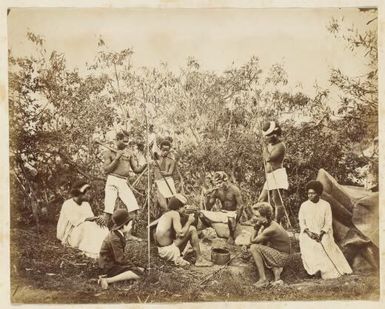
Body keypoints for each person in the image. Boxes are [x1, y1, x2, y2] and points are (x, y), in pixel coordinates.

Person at [298, 180, 353, 279]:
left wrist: (321, 233)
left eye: (313, 193)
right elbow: (302, 222)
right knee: (310, 245)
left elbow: (328, 222)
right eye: (308, 193)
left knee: (325, 244)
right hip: (308, 233)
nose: (310, 195)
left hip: (323, 233)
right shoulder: (304, 205)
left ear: (318, 193)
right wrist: (309, 233)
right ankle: (314, 271)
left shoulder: (325, 205)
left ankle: (326, 271)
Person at [98, 131, 147, 231]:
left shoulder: (129, 153)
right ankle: (102, 234)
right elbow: (106, 170)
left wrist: (146, 165)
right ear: (117, 139)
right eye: (124, 141)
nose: (126, 144)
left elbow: (136, 170)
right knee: (108, 211)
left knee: (133, 208)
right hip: (112, 180)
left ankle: (128, 234)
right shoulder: (109, 152)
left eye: (127, 141)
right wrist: (116, 158)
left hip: (123, 182)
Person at [154, 194, 213, 267]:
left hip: (162, 250)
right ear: (179, 207)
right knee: (192, 229)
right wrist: (189, 221)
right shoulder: (175, 214)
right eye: (184, 207)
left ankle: (188, 253)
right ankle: (199, 260)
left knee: (188, 229)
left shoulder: (167, 214)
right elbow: (181, 234)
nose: (185, 210)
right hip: (168, 251)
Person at [57, 181, 108, 258]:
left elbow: (91, 218)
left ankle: (104, 249)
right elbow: (75, 221)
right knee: (87, 225)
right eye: (87, 193)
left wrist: (98, 219)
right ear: (80, 193)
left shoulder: (86, 204)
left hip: (83, 229)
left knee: (101, 226)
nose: (89, 196)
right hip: (70, 233)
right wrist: (92, 219)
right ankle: (93, 250)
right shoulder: (68, 204)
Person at [98, 209, 145, 290]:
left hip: (111, 262)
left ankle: (106, 277)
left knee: (141, 269)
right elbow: (120, 259)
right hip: (108, 265)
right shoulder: (115, 238)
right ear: (124, 225)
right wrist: (133, 267)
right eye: (130, 224)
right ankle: (107, 280)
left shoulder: (117, 234)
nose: (131, 226)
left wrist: (133, 265)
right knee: (139, 273)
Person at [249, 202, 291, 287]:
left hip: (282, 257)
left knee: (253, 248)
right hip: (278, 253)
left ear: (265, 217)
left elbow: (253, 241)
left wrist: (256, 227)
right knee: (255, 248)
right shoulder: (268, 224)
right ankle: (276, 275)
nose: (254, 218)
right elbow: (261, 242)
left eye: (257, 216)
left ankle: (263, 280)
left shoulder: (271, 228)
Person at [201, 171, 248, 244]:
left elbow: (240, 206)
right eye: (217, 183)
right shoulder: (217, 190)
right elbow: (209, 206)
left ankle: (231, 236)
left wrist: (236, 220)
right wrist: (208, 196)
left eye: (220, 182)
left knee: (231, 219)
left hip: (233, 213)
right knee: (201, 214)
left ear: (226, 180)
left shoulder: (234, 189)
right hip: (222, 213)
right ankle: (212, 229)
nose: (219, 185)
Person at [258, 121, 288, 225]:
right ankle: (263, 220)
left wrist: (264, 147)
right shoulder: (269, 145)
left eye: (268, 136)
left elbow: (268, 158)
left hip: (278, 174)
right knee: (262, 198)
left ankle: (277, 222)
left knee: (276, 200)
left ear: (275, 134)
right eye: (265, 136)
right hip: (270, 176)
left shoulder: (280, 146)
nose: (266, 138)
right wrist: (266, 146)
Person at [153, 140, 177, 212]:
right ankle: (167, 212)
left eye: (167, 150)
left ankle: (173, 213)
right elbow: (153, 151)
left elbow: (170, 172)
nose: (165, 152)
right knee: (161, 202)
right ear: (160, 149)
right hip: (159, 182)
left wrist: (166, 173)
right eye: (164, 150)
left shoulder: (172, 160)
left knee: (172, 200)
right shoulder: (157, 158)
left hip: (168, 181)